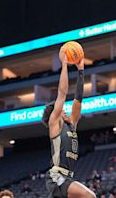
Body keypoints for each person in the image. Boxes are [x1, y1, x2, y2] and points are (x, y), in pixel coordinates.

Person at [42, 49, 95, 198]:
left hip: (68, 177)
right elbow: (62, 93)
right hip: (56, 176)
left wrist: (81, 71)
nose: (64, 110)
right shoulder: (55, 124)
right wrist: (64, 65)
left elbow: (78, 99)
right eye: (60, 110)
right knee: (90, 196)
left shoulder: (72, 123)